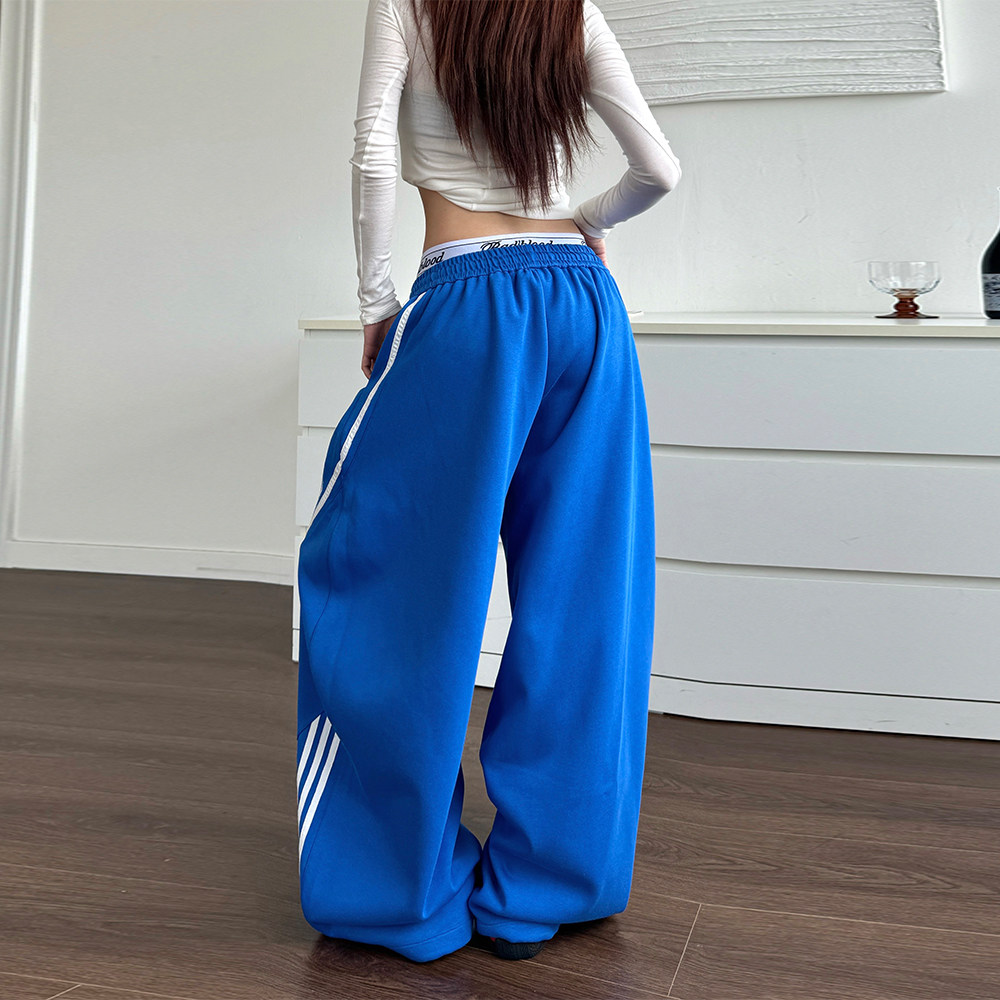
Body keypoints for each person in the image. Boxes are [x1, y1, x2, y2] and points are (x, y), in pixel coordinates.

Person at [295, 0, 681, 964]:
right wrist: (585, 222)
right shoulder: (569, 11)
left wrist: (376, 300)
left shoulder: (407, 6)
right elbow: (658, 170)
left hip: (466, 298)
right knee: (584, 594)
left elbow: (372, 151)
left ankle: (398, 897)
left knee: (383, 582)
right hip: (585, 302)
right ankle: (549, 889)